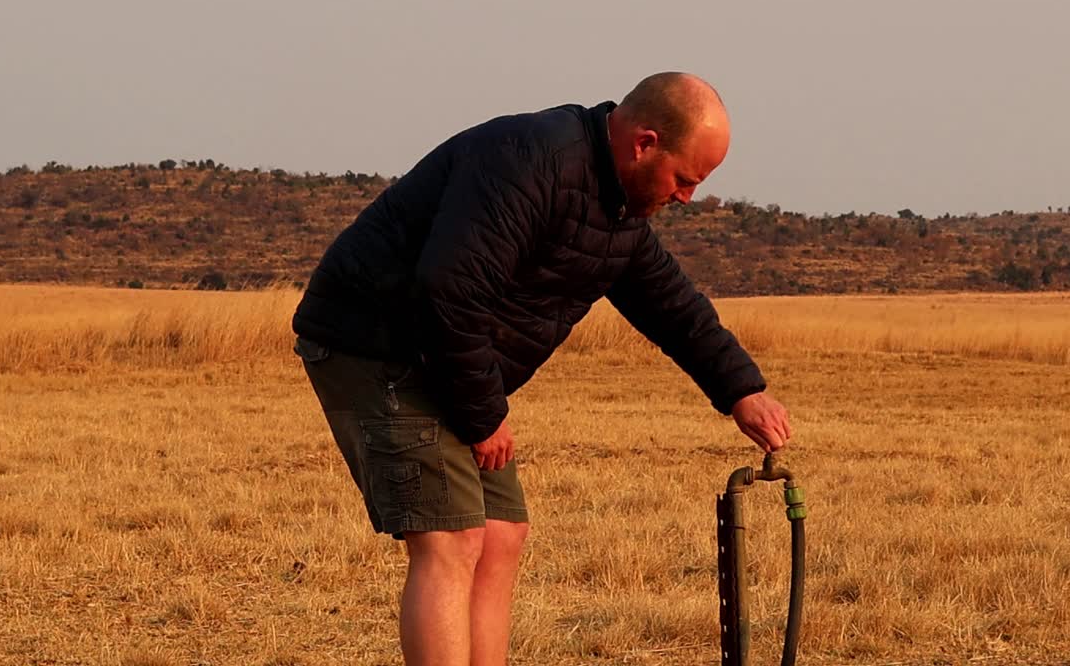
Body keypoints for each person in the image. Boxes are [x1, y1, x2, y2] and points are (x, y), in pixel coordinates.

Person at [291, 72, 791, 665]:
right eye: (685, 179)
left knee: (501, 534)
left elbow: (672, 305)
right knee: (451, 540)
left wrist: (743, 391)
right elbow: (448, 290)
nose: (686, 197)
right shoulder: (531, 161)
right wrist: (482, 417)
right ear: (644, 142)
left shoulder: (619, 211)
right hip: (374, 341)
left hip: (443, 355)